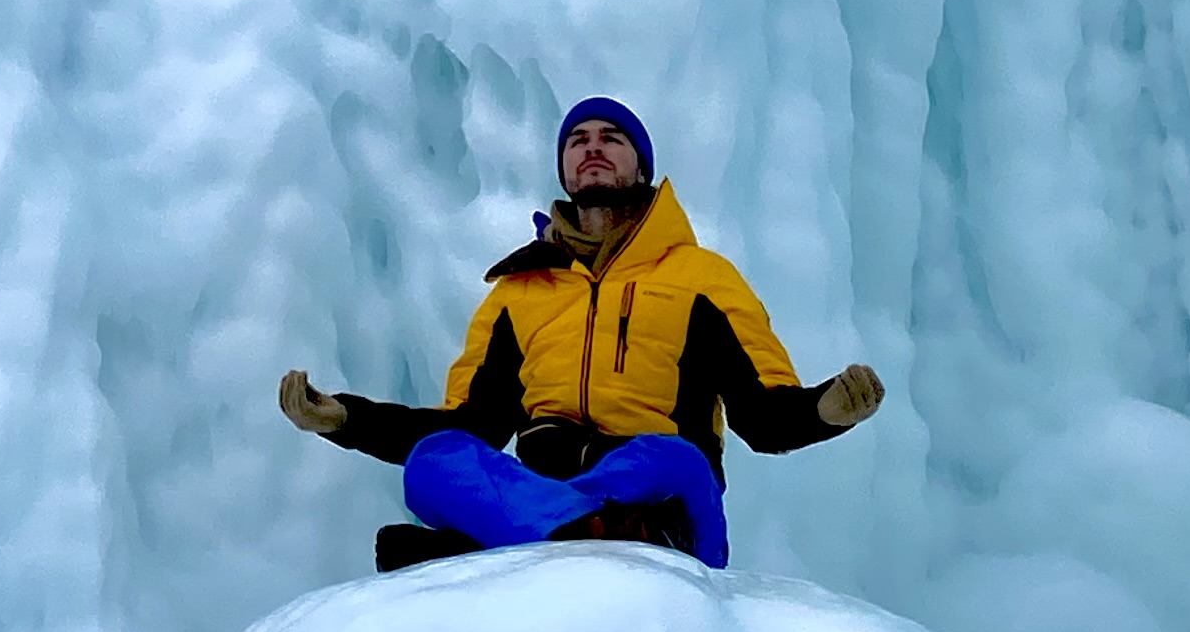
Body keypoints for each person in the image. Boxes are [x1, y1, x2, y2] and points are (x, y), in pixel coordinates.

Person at [278, 96, 883, 569]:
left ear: (640, 165)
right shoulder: (518, 294)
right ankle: (584, 531)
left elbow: (764, 418)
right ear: (564, 168)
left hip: (664, 494)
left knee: (668, 457)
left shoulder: (701, 278)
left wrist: (828, 407)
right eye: (578, 140)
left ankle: (530, 537)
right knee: (436, 462)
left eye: (611, 139)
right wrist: (345, 420)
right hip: (550, 485)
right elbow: (473, 424)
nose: (593, 148)